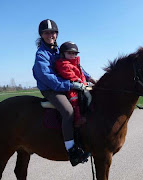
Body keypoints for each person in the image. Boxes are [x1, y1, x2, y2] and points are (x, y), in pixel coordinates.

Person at [32, 19, 94, 166]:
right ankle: (71, 150)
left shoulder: (59, 49)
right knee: (68, 111)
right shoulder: (41, 54)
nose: (50, 35)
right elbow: (47, 77)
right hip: (51, 89)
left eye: (52, 32)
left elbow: (76, 65)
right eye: (46, 33)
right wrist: (70, 84)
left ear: (56, 34)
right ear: (41, 35)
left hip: (67, 85)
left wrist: (91, 78)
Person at [55, 41, 87, 127]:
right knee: (74, 99)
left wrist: (85, 82)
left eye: (74, 53)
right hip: (70, 86)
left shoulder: (76, 63)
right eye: (69, 53)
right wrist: (78, 80)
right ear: (63, 54)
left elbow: (82, 74)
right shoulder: (63, 64)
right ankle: (77, 119)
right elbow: (68, 74)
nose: (72, 55)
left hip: (80, 85)